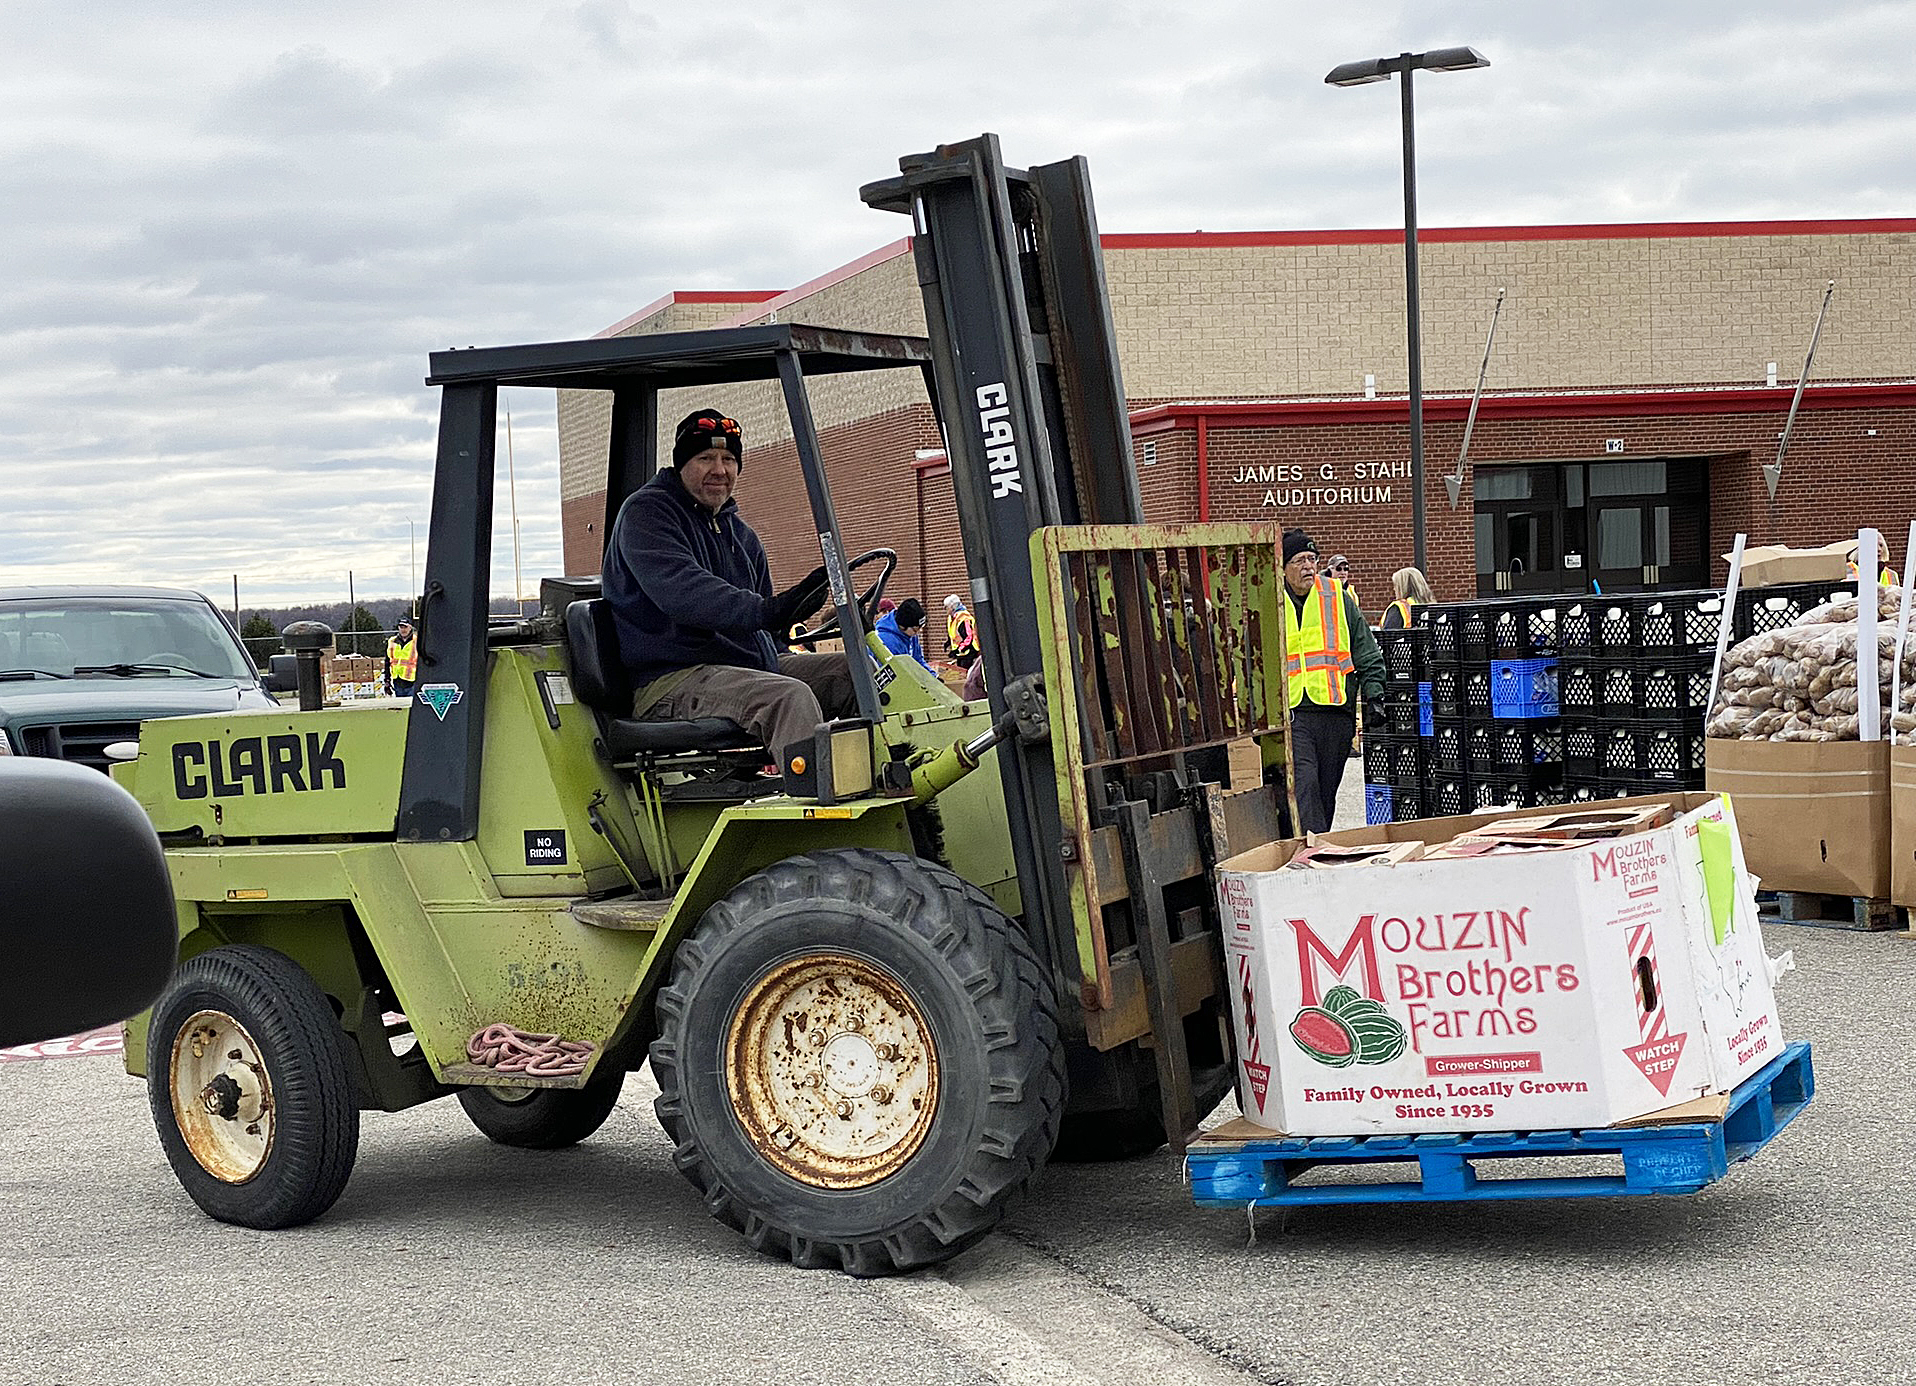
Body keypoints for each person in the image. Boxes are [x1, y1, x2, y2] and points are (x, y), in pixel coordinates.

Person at [601, 408, 856, 757]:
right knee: (787, 698)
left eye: (728, 459)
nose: (719, 470)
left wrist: (783, 617)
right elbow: (685, 592)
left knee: (859, 671)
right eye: (705, 457)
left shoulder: (741, 534)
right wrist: (769, 611)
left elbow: (767, 629)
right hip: (674, 678)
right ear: (681, 464)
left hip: (747, 666)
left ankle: (902, 791)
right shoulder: (647, 516)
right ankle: (817, 803)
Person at [1281, 528, 1386, 835]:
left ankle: (1317, 844)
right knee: (1306, 784)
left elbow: (1364, 646)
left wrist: (1374, 694)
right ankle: (1312, 851)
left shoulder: (1335, 595)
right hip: (1295, 714)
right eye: (1299, 560)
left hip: (1336, 712)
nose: (1308, 567)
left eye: (1312, 559)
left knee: (1326, 792)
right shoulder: (1272, 600)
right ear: (1283, 567)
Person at [875, 596, 933, 670]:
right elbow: (900, 672)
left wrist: (933, 676)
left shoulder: (911, 635)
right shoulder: (888, 642)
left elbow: (918, 661)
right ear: (903, 626)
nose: (917, 633)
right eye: (915, 630)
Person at [944, 594, 979, 669]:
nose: (945, 609)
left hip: (969, 652)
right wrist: (948, 642)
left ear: (952, 607)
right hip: (961, 653)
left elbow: (969, 637)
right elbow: (954, 633)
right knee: (960, 673)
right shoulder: (952, 618)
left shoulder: (964, 618)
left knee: (966, 673)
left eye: (947, 607)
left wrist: (959, 649)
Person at [386, 617, 418, 697]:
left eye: (405, 627)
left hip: (413, 680)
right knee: (401, 707)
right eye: (401, 627)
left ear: (410, 627)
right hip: (398, 681)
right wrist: (387, 679)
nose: (403, 630)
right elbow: (388, 661)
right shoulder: (392, 641)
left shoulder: (416, 641)